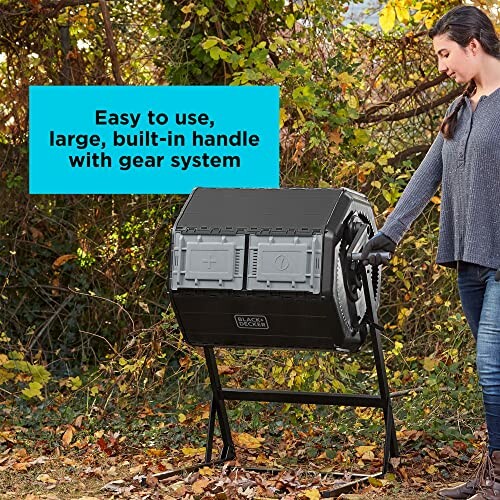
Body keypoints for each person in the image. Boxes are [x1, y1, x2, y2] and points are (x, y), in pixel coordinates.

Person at [360, 5, 500, 499]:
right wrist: (388, 234)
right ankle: (495, 469)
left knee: (491, 363)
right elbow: (428, 174)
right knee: (494, 368)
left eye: (445, 54)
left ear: (473, 46)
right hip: (470, 262)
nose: (441, 65)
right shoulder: (461, 109)